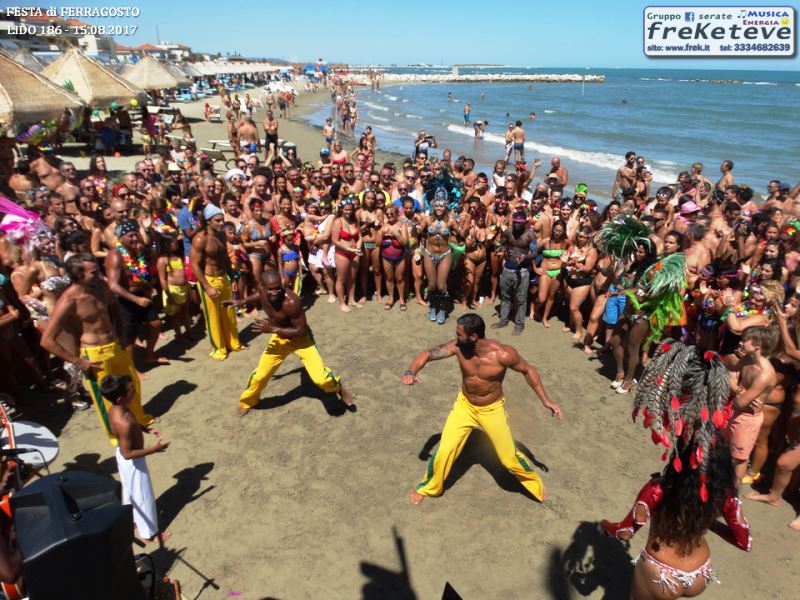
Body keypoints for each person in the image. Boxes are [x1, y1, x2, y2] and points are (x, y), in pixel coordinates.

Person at [600, 342, 751, 599]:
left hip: (662, 573)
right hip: (700, 572)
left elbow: (625, 532)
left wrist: (606, 526)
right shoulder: (723, 491)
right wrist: (707, 521)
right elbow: (743, 540)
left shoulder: (658, 489)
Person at [402, 313, 563, 504]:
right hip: (465, 407)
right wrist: (410, 372)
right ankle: (428, 488)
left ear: (474, 337)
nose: (456, 338)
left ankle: (536, 488)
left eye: (460, 334)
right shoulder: (458, 347)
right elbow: (429, 353)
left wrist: (546, 400)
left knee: (509, 458)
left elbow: (528, 370)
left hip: (491, 409)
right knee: (444, 452)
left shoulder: (503, 354)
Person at [41, 254, 155, 444]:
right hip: (94, 355)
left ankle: (139, 420)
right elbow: (47, 340)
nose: (99, 274)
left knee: (132, 383)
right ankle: (115, 435)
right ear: (79, 275)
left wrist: (121, 333)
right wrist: (78, 361)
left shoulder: (101, 287)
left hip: (115, 346)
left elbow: (115, 308)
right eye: (94, 272)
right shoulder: (69, 300)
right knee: (107, 399)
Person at [227, 269, 354, 416]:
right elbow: (259, 295)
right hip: (279, 338)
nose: (275, 292)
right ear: (262, 286)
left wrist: (272, 328)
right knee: (260, 376)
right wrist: (243, 301)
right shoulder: (262, 289)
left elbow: (300, 330)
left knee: (321, 379)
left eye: (277, 288)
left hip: (301, 340)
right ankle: (248, 401)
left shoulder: (292, 302)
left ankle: (338, 387)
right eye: (270, 289)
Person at [101, 374, 171, 544]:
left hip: (125, 459)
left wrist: (146, 429)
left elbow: (132, 423)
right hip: (133, 462)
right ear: (121, 397)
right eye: (131, 390)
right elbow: (128, 453)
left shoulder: (117, 408)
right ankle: (149, 533)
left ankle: (131, 519)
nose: (135, 392)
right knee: (143, 495)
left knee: (129, 492)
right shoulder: (123, 423)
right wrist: (153, 450)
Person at [723, 325, 778, 485]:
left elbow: (740, 401)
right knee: (725, 451)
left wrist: (736, 388)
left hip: (747, 419)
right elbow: (729, 370)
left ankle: (732, 495)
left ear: (757, 345)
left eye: (745, 340)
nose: (741, 343)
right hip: (734, 412)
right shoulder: (747, 359)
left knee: (739, 459)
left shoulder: (764, 373)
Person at [191, 204, 244, 360]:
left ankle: (233, 343)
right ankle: (218, 348)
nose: (221, 223)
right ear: (208, 221)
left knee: (229, 313)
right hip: (209, 280)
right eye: (218, 220)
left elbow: (225, 258)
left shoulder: (221, 236)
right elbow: (194, 265)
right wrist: (207, 287)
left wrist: (232, 277)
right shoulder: (200, 239)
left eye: (222, 220)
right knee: (213, 317)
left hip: (223, 278)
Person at [492, 211, 535, 335]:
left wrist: (525, 257)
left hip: (522, 271)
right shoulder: (508, 232)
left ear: (524, 223)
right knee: (505, 296)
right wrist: (499, 247)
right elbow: (502, 243)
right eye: (515, 222)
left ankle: (519, 325)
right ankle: (503, 320)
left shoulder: (530, 235)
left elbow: (535, 251)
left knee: (521, 300)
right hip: (507, 269)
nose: (517, 225)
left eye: (519, 223)